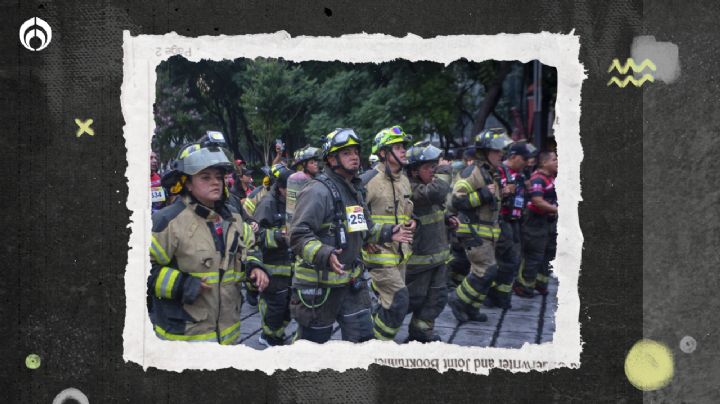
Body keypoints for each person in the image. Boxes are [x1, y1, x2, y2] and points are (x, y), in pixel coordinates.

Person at [289, 128, 413, 343]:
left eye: (356, 151)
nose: (355, 156)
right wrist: (324, 253)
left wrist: (388, 232)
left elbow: (361, 228)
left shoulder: (353, 190)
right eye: (346, 153)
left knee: (363, 342)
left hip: (351, 284)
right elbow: (298, 235)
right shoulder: (317, 191)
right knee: (312, 351)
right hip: (320, 289)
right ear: (331, 158)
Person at [148, 136, 269, 344]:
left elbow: (250, 247)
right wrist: (180, 284)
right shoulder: (168, 221)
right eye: (205, 177)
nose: (215, 182)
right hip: (186, 336)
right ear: (186, 183)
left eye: (218, 176)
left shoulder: (234, 217)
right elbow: (139, 271)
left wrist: (254, 267)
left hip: (228, 331)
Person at [447, 128, 512, 323]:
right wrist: (483, 194)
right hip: (474, 232)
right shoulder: (472, 172)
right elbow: (455, 201)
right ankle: (458, 299)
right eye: (497, 151)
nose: (501, 154)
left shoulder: (489, 173)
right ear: (484, 152)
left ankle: (472, 308)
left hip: (488, 233)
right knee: (486, 270)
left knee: (483, 272)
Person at [361, 125, 416, 341]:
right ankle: (377, 346)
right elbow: (351, 215)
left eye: (404, 147)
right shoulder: (368, 181)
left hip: (400, 253)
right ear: (383, 153)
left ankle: (373, 334)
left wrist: (413, 223)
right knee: (399, 300)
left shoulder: (403, 179)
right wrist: (364, 241)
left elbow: (407, 211)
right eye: (398, 147)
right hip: (378, 253)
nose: (403, 151)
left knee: (391, 303)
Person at [404, 141, 457, 342]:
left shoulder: (426, 187)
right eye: (429, 168)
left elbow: (433, 208)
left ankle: (420, 333)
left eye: (436, 167)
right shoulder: (411, 188)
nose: (434, 172)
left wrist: (446, 218)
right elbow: (436, 193)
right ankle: (378, 330)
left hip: (438, 257)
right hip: (418, 260)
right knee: (412, 299)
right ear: (415, 171)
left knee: (436, 299)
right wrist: (444, 169)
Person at [485, 142, 530, 309]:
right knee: (504, 260)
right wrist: (505, 191)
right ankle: (493, 296)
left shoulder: (520, 175)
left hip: (515, 222)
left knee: (512, 261)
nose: (527, 162)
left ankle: (502, 297)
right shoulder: (499, 172)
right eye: (524, 158)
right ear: (513, 157)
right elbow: (489, 195)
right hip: (502, 222)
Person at [254, 164, 294, 347]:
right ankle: (268, 336)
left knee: (289, 305)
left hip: (290, 264)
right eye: (290, 190)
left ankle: (277, 334)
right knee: (275, 305)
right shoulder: (267, 204)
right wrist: (279, 236)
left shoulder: (292, 202)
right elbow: (256, 235)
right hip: (272, 266)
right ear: (280, 187)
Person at [514, 151, 558, 297]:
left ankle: (541, 284)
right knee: (534, 255)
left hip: (546, 222)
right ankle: (525, 287)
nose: (557, 162)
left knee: (547, 253)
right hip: (535, 222)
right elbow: (537, 201)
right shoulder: (538, 179)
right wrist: (557, 210)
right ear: (544, 163)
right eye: (554, 159)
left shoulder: (550, 178)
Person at [286, 145, 321, 224]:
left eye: (316, 161)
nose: (316, 164)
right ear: (304, 165)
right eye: (312, 162)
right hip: (301, 222)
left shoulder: (314, 177)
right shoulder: (299, 178)